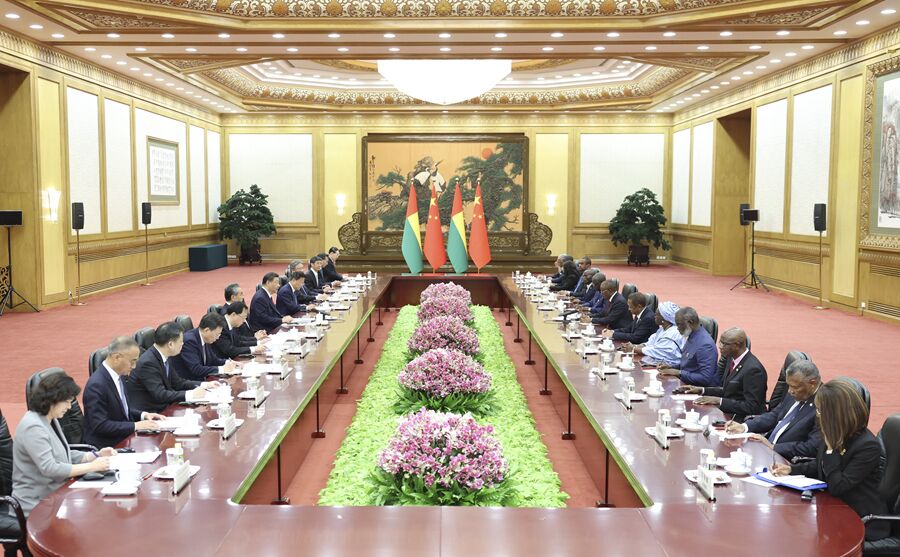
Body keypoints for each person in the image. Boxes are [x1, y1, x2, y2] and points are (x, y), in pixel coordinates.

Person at [773, 379, 888, 541]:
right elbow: (821, 464)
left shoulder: (867, 446)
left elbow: (838, 486)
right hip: (833, 511)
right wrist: (792, 469)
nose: (817, 415)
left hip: (862, 521)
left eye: (820, 411)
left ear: (835, 414)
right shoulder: (837, 434)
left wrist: (830, 448)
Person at [12, 372, 115, 516]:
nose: (69, 406)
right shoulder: (33, 427)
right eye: (67, 401)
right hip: (35, 505)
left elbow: (61, 453)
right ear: (53, 399)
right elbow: (50, 468)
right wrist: (91, 467)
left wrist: (94, 455)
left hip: (55, 496)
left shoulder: (49, 419)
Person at [726, 360, 822, 460]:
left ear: (812, 383)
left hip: (785, 459)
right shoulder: (797, 392)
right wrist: (744, 427)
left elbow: (812, 447)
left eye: (794, 387)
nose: (790, 391)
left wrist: (774, 447)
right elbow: (775, 415)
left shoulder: (823, 405)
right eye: (788, 385)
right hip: (765, 448)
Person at [82, 337, 166, 448]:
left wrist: (144, 415)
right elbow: (100, 425)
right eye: (132, 361)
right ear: (117, 357)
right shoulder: (97, 385)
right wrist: (135, 426)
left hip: (124, 437)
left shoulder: (119, 375)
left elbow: (122, 409)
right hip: (108, 446)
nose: (134, 366)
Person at [675, 327, 767, 421]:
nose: (720, 346)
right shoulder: (731, 359)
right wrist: (701, 390)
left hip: (742, 420)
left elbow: (752, 407)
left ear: (737, 345)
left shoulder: (753, 370)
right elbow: (729, 390)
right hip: (728, 412)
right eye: (720, 342)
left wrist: (719, 401)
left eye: (724, 344)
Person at [127, 321, 219, 413]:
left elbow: (178, 383)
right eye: (181, 341)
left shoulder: (164, 355)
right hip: (152, 412)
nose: (183, 344)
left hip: (164, 407)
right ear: (170, 344)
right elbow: (160, 394)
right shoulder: (148, 363)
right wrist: (191, 394)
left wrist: (204, 385)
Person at [657, 307, 718, 387]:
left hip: (698, 389)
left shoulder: (705, 345)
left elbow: (705, 378)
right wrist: (671, 367)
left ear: (690, 322)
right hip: (686, 384)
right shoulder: (693, 335)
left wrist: (679, 373)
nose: (677, 328)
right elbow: (690, 364)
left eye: (679, 324)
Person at [170, 312, 237, 380]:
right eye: (217, 334)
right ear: (207, 330)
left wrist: (229, 362)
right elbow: (196, 369)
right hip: (190, 382)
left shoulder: (205, 338)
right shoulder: (190, 341)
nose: (218, 337)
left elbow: (213, 360)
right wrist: (222, 369)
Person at [621, 301, 682, 367]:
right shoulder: (662, 329)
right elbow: (650, 344)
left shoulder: (673, 333)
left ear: (664, 318)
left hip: (669, 367)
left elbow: (656, 351)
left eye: (657, 314)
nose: (654, 316)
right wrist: (634, 346)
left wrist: (633, 348)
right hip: (657, 363)